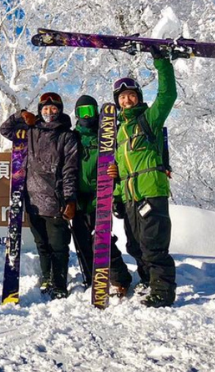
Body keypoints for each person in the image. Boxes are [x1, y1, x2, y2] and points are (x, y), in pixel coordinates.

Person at [107, 49, 178, 308]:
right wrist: (116, 195)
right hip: (129, 196)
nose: (127, 100)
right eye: (122, 97)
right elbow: (117, 168)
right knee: (135, 245)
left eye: (131, 95)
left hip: (151, 191)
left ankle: (163, 292)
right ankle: (147, 281)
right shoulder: (118, 132)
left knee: (154, 245)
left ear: (138, 98)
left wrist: (162, 62)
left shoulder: (149, 120)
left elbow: (168, 95)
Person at [0, 93, 79, 299]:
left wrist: (70, 200)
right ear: (40, 110)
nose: (49, 112)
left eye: (54, 109)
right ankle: (46, 277)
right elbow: (5, 129)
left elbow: (70, 170)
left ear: (60, 110)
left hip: (56, 201)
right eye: (45, 108)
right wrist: (21, 115)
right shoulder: (30, 131)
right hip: (32, 202)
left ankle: (60, 284)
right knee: (42, 245)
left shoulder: (67, 136)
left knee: (59, 247)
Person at [71, 95, 133, 296]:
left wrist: (117, 173)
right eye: (82, 112)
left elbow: (123, 158)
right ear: (77, 114)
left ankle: (120, 279)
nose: (87, 115)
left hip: (102, 195)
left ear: (97, 111)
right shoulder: (73, 137)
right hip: (79, 198)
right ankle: (92, 279)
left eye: (90, 110)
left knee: (102, 239)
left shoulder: (107, 136)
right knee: (81, 241)